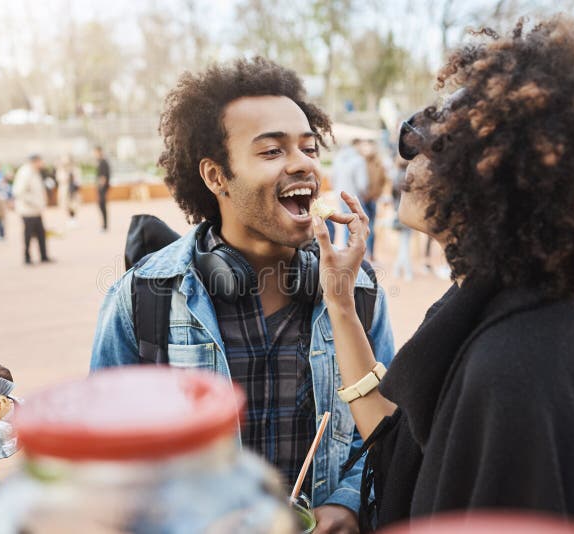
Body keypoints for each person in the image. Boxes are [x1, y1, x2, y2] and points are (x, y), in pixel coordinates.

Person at [320, 18, 574, 533]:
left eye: (439, 141)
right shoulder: (483, 306)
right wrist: (340, 301)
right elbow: (401, 444)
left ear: (510, 178)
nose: (412, 152)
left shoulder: (522, 362)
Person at [91, 57, 396, 533]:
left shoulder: (357, 292)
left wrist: (349, 501)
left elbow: (385, 435)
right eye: (272, 152)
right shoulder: (141, 299)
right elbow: (104, 452)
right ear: (216, 177)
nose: (302, 164)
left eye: (309, 148)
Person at [12, 154, 52, 265]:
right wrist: (34, 202)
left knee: (41, 234)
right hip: (28, 210)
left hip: (36, 210)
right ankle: (27, 257)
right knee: (28, 235)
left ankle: (43, 256)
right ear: (35, 161)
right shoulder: (25, 173)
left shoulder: (34, 172)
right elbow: (18, 192)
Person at [331, 139, 368, 247]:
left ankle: (345, 249)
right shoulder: (359, 160)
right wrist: (364, 194)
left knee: (345, 223)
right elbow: (362, 184)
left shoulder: (337, 158)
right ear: (356, 145)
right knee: (357, 225)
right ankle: (352, 250)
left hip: (340, 195)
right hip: (354, 198)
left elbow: (332, 178)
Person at [358, 142, 387, 261]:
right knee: (365, 227)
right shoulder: (361, 163)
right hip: (363, 199)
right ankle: (365, 254)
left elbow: (383, 180)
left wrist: (377, 195)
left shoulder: (378, 164)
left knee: (371, 227)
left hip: (372, 199)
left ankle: (370, 254)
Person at [55, 155, 81, 229]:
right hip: (65, 190)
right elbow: (60, 179)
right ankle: (69, 219)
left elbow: (78, 180)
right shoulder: (61, 170)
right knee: (66, 205)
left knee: (73, 205)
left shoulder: (75, 169)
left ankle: (73, 219)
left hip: (73, 190)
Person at [94, 146, 110, 231]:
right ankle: (104, 225)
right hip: (101, 188)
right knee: (101, 206)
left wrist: (100, 187)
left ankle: (105, 226)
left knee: (102, 205)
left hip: (102, 188)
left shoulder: (103, 162)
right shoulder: (100, 162)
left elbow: (103, 177)